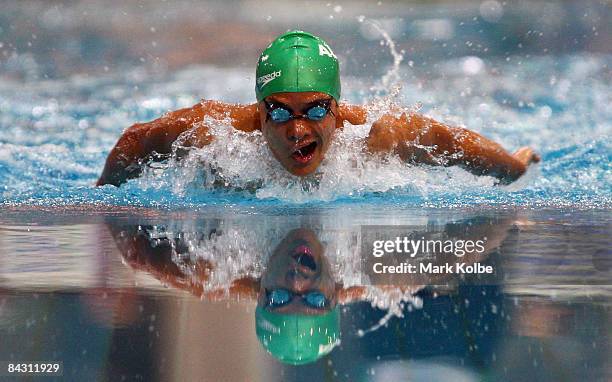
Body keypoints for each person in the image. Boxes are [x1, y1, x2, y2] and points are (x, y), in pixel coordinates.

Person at [96, 30, 540, 187]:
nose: (296, 129)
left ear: (337, 108)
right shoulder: (215, 132)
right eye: (280, 111)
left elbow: (455, 144)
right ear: (260, 109)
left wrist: (513, 168)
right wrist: (102, 203)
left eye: (313, 109)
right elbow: (137, 140)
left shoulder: (378, 136)